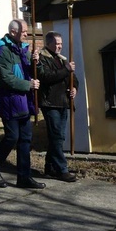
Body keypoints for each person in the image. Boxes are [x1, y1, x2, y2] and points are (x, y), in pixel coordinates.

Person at [0, 20, 44, 190]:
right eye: (24, 31)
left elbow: (33, 72)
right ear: (13, 32)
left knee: (25, 139)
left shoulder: (24, 51)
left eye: (27, 31)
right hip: (10, 101)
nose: (27, 34)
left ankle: (24, 177)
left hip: (24, 101)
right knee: (12, 137)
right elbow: (6, 79)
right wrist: (28, 85)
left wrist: (36, 61)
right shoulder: (1, 53)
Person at [37, 31, 78, 182]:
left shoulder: (62, 60)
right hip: (50, 102)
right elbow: (46, 77)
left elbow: (74, 79)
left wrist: (75, 88)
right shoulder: (42, 58)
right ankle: (62, 169)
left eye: (61, 43)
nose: (60, 46)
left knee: (58, 138)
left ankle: (50, 167)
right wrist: (66, 70)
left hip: (63, 102)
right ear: (48, 44)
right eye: (57, 44)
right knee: (56, 136)